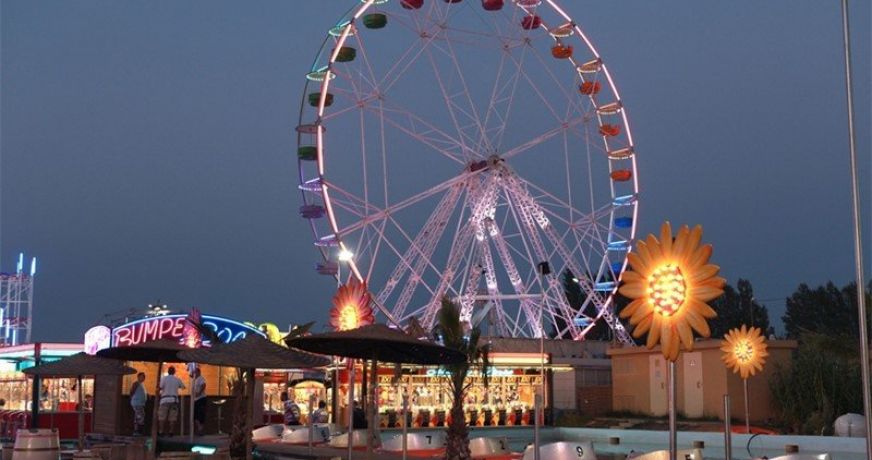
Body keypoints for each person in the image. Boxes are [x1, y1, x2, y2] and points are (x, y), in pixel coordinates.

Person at [158, 366, 185, 436]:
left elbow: (160, 388)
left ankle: (161, 431)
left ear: (168, 371)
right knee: (172, 417)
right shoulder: (177, 379)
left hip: (164, 400)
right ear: (174, 372)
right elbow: (183, 387)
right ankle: (171, 432)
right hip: (174, 400)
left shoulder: (164, 378)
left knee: (162, 416)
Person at [192, 367, 207, 435]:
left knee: (200, 414)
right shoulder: (195, 380)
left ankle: (200, 429)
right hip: (196, 399)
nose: (194, 373)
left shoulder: (201, 378)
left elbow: (203, 385)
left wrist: (199, 393)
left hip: (201, 399)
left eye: (195, 372)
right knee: (195, 415)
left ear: (198, 372)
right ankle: (199, 428)